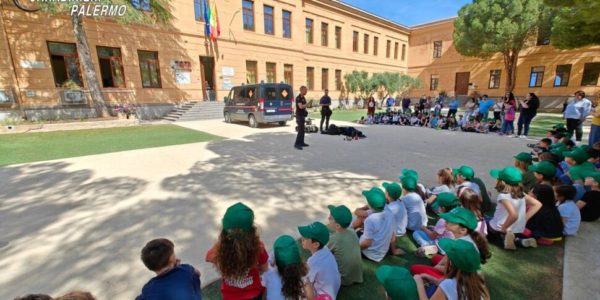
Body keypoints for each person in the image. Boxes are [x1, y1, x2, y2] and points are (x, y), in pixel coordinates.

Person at [206, 202, 268, 300]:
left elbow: (208, 258)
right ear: (252, 230)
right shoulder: (258, 247)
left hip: (230, 296)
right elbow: (265, 268)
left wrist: (223, 262)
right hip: (254, 295)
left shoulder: (219, 250)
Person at [413, 239, 490, 300]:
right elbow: (440, 282)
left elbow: (447, 286)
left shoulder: (450, 284)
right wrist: (429, 277)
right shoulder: (479, 283)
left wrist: (419, 282)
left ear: (451, 264)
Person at [487, 166, 542, 250]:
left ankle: (505, 238)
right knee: (492, 221)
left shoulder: (503, 196)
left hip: (500, 229)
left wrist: (504, 228)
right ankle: (519, 241)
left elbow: (514, 215)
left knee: (483, 223)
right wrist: (524, 219)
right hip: (517, 230)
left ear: (503, 182)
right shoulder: (521, 194)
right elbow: (538, 204)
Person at [137, 238, 202, 300]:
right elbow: (198, 273)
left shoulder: (148, 288)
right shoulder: (186, 270)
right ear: (171, 258)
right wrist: (179, 268)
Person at [262, 235, 314, 300]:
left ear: (276, 261)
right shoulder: (302, 275)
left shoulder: (270, 274)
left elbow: (264, 297)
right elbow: (311, 297)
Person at [298, 221, 341, 299]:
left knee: (301, 284)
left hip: (325, 295)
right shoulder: (325, 249)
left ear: (316, 244)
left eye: (305, 238)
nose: (302, 238)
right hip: (333, 288)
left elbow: (307, 281)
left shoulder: (313, 262)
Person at [326, 204, 363, 286]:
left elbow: (323, 251)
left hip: (343, 279)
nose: (328, 218)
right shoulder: (352, 232)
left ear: (337, 226)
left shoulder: (334, 239)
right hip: (357, 276)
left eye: (331, 218)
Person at [413, 193, 459, 257]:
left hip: (440, 244)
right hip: (451, 246)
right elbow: (445, 231)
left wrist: (424, 228)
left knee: (416, 233)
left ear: (443, 208)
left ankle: (426, 246)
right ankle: (434, 249)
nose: (437, 208)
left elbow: (432, 236)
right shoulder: (457, 217)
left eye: (438, 206)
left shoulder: (443, 220)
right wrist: (434, 228)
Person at [358, 187, 395, 262]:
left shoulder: (370, 220)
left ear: (369, 205)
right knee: (360, 229)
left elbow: (367, 243)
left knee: (349, 238)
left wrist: (355, 250)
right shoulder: (390, 213)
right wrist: (393, 250)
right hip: (382, 251)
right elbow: (393, 236)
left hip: (370, 254)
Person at [382, 182, 408, 255]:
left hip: (396, 233)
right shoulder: (400, 201)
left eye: (385, 191)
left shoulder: (389, 209)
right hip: (402, 230)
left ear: (387, 194)